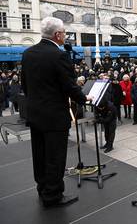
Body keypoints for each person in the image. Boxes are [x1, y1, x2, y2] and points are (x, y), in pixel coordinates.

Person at [21, 17, 92, 207]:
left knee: (40, 154)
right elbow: (69, 86)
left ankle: (42, 187)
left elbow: (25, 85)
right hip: (54, 117)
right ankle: (52, 196)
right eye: (64, 32)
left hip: (35, 114)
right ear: (57, 35)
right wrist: (84, 99)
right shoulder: (59, 55)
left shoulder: (28, 53)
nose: (66, 36)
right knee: (55, 156)